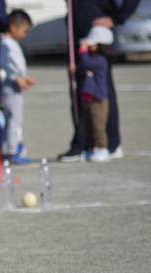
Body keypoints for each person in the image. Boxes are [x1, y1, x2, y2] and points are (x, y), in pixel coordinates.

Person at [57, 0, 141, 162]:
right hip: (77, 25)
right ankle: (86, 142)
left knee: (99, 90)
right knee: (81, 90)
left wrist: (118, 17)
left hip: (96, 30)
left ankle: (108, 143)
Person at [0, 9, 35, 164]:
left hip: (15, 84)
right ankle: (11, 151)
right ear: (13, 27)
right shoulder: (5, 44)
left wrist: (24, 77)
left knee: (16, 118)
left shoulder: (10, 43)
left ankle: (13, 147)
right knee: (13, 118)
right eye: (24, 31)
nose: (24, 35)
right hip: (10, 86)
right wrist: (16, 78)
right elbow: (5, 64)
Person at [78, 25, 113, 162]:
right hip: (87, 98)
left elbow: (86, 62)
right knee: (89, 126)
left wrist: (82, 50)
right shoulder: (93, 59)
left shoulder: (100, 61)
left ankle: (102, 148)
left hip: (98, 100)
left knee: (98, 126)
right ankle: (91, 148)